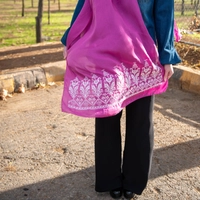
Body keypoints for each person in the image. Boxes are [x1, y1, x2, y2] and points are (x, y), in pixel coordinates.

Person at [61, 0, 181, 199]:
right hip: (105, 51)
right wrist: (70, 38)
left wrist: (167, 54)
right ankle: (110, 180)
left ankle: (134, 181)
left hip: (142, 54)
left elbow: (164, 10)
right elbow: (85, 3)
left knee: (141, 120)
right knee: (106, 116)